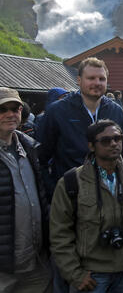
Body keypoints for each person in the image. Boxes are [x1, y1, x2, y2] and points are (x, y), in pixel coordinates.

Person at [49, 120, 123, 292]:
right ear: (92, 146)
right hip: (91, 275)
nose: (114, 144)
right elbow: (59, 233)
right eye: (106, 140)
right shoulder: (71, 182)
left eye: (118, 138)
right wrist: (74, 274)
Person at [38, 57, 123, 199]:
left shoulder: (116, 111)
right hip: (72, 195)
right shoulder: (57, 111)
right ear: (79, 80)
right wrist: (54, 191)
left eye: (101, 79)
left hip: (110, 195)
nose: (97, 83)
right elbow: (41, 158)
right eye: (91, 78)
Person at [0, 87, 52, 293]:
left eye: (16, 108)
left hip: (35, 261)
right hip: (4, 269)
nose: (10, 114)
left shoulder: (29, 146)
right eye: (2, 109)